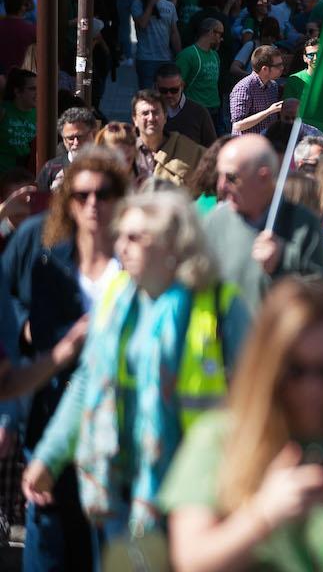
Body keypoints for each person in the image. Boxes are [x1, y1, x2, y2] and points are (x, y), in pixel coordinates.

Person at [23, 191, 250, 542]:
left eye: (135, 237)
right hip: (119, 486)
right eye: (120, 235)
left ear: (174, 245)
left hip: (199, 491)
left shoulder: (222, 304)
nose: (120, 246)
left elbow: (255, 398)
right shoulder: (116, 296)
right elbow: (88, 381)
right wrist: (49, 456)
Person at [162, 278, 323, 571]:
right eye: (296, 370)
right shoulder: (218, 438)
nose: (313, 388)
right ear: (269, 367)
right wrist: (264, 515)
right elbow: (191, 560)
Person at [0, 152, 129, 569]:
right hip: (48, 413)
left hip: (116, 431)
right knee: (49, 543)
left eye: (105, 193)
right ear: (67, 200)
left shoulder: (135, 251)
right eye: (82, 194)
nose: (93, 203)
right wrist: (23, 327)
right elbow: (7, 300)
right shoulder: (39, 241)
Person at [200, 134, 323, 308]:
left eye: (231, 178)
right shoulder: (215, 221)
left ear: (263, 177)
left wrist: (282, 262)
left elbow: (319, 298)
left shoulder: (303, 225)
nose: (221, 186)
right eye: (220, 175)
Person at [132, 0, 183, 88]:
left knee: (165, 96)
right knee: (148, 97)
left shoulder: (169, 6)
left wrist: (179, 55)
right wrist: (150, 4)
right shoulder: (138, 3)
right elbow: (142, 25)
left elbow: (174, 32)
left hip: (165, 58)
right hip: (146, 58)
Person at [176, 17, 225, 129]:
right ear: (212, 32)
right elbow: (178, 85)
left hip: (215, 108)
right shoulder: (187, 55)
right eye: (220, 34)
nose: (222, 38)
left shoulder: (215, 55)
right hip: (195, 108)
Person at [35, 107, 99, 192]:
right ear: (63, 139)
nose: (76, 143)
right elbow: (38, 202)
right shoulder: (51, 168)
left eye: (80, 137)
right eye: (70, 138)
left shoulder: (108, 166)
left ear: (94, 134)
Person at [155, 64, 218, 148]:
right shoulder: (150, 113)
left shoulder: (199, 112)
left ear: (182, 86)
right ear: (156, 87)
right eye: (163, 90)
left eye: (174, 90)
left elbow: (212, 147)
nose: (169, 95)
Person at [229, 45, 285, 135]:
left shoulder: (273, 86)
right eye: (278, 65)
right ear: (265, 69)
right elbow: (238, 125)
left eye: (282, 64)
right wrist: (269, 111)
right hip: (247, 145)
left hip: (266, 143)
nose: (282, 68)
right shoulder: (244, 88)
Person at [0, 68, 37, 172]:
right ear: (17, 91)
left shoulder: (41, 114)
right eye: (32, 89)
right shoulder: (3, 111)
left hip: (27, 176)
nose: (38, 93)